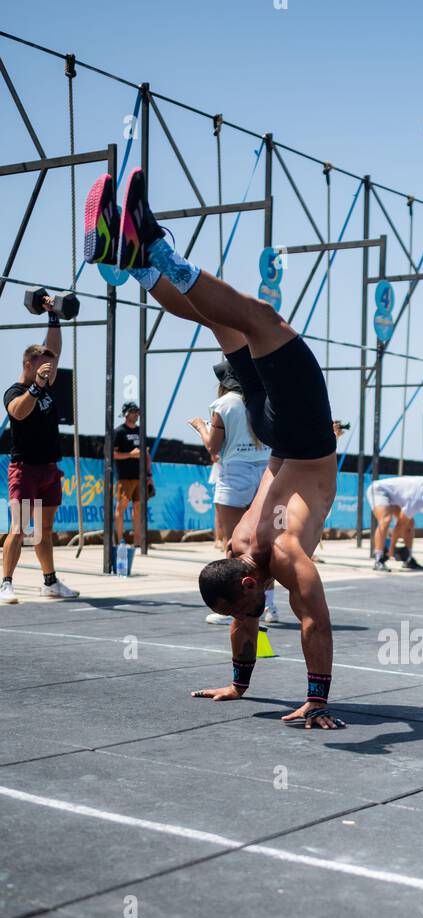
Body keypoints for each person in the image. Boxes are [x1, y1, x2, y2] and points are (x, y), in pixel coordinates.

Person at [85, 167, 342, 730]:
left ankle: (147, 250)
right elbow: (274, 620)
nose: (252, 619)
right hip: (283, 434)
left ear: (242, 577)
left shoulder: (270, 556)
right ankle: (142, 267)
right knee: (228, 324)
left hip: (297, 438)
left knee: (255, 320)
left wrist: (311, 699)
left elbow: (310, 624)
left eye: (250, 608)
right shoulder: (244, 550)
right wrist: (246, 685)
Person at [189, 362, 279, 625]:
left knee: (233, 544)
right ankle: (269, 607)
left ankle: (235, 607)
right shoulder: (263, 398)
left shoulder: (224, 404)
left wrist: (200, 427)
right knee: (264, 545)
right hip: (265, 472)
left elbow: (213, 448)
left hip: (235, 471)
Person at [1, 306, 79, 604]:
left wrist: (53, 317)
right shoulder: (17, 390)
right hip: (25, 471)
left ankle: (50, 581)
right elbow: (18, 412)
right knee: (19, 528)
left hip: (49, 471)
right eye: (44, 367)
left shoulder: (45, 385)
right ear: (29, 364)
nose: (50, 370)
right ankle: (7, 583)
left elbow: (54, 350)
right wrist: (36, 386)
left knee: (45, 530)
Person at [366, 474, 423, 571]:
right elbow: (400, 524)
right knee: (385, 520)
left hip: (395, 497)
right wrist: (391, 549)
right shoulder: (418, 498)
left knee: (410, 523)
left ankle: (408, 560)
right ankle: (378, 559)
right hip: (378, 490)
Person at [113, 402, 153, 549]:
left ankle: (138, 541)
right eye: (132, 411)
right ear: (125, 413)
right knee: (121, 508)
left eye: (137, 411)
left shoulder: (141, 431)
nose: (136, 414)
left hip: (140, 476)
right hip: (125, 477)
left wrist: (150, 475)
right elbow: (112, 454)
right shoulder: (119, 432)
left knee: (138, 508)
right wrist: (130, 454)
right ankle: (120, 540)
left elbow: (146, 454)